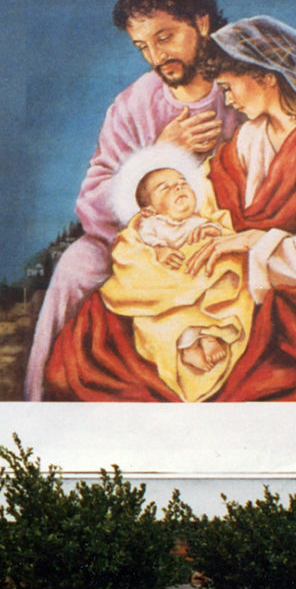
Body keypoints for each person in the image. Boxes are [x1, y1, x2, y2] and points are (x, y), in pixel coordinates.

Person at [45, 16, 296, 402]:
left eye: (229, 86)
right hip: (250, 278)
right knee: (94, 333)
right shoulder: (252, 135)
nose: (228, 100)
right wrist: (161, 230)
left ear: (267, 76)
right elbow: (208, 190)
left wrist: (250, 243)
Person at [23, 0, 242, 401]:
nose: (156, 57)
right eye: (143, 46)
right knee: (74, 266)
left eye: (164, 37)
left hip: (219, 235)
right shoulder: (134, 103)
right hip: (136, 240)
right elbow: (93, 202)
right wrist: (158, 155)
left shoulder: (238, 86)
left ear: (201, 22)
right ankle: (34, 407)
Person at [96, 144, 254, 402]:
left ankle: (209, 336)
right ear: (149, 209)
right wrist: (159, 251)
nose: (179, 188)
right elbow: (139, 247)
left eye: (182, 183)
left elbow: (218, 235)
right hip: (165, 291)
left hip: (199, 283)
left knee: (204, 306)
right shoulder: (151, 225)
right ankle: (189, 345)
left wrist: (207, 234)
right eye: (166, 188)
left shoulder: (198, 220)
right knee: (161, 322)